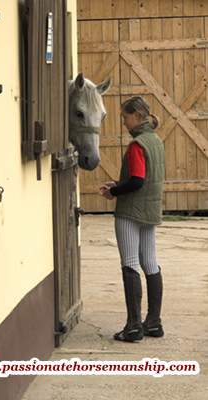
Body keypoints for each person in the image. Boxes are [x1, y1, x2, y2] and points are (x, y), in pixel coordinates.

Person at [99, 96, 165, 342]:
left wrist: (113, 191)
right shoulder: (156, 141)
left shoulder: (137, 144)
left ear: (137, 116)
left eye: (125, 117)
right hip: (150, 210)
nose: (123, 122)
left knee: (130, 263)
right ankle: (154, 323)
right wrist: (118, 183)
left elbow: (137, 181)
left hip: (130, 213)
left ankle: (134, 326)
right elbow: (145, 179)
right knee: (151, 263)